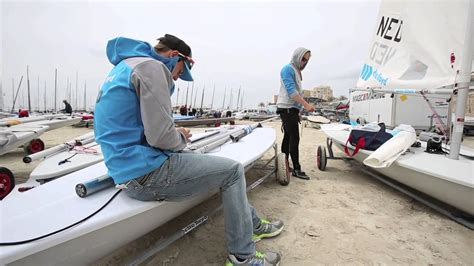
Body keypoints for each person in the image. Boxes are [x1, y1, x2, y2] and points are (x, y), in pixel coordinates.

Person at [94, 35, 283, 265]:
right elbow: (161, 137)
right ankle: (243, 256)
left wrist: (173, 136)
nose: (177, 78)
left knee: (212, 165)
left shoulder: (124, 66)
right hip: (144, 172)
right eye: (180, 72)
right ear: (174, 57)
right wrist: (180, 137)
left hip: (125, 167)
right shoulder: (152, 67)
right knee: (233, 172)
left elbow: (134, 126)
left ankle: (252, 224)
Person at [276, 48, 316, 180]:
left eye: (307, 60)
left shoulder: (297, 72)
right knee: (294, 137)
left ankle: (285, 164)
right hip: (286, 108)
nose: (305, 62)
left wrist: (298, 110)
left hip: (291, 109)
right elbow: (292, 92)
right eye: (303, 59)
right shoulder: (288, 69)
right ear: (297, 57)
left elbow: (296, 94)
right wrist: (306, 105)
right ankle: (296, 169)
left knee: (288, 136)